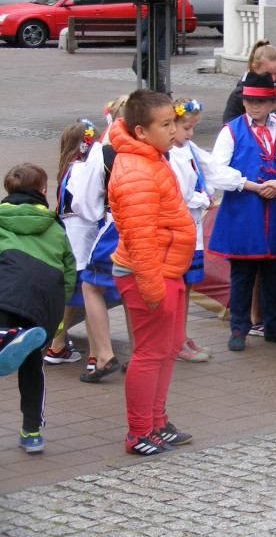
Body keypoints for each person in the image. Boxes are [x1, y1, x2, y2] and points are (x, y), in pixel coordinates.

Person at [107, 90, 196, 455]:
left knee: (167, 348)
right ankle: (139, 432)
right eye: (165, 124)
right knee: (149, 353)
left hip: (165, 270)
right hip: (149, 274)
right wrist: (153, 288)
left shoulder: (151, 157)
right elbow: (140, 239)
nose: (174, 130)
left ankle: (157, 423)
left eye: (174, 122)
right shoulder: (136, 171)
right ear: (141, 131)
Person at [209, 72, 276, 352]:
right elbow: (216, 171)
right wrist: (249, 184)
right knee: (242, 274)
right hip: (243, 213)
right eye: (250, 100)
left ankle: (275, 325)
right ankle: (239, 328)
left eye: (260, 101)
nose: (254, 106)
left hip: (274, 212)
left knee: (274, 270)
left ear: (272, 103)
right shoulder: (231, 131)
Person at [0, 163, 75, 454]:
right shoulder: (55, 225)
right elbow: (69, 271)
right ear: (43, 191)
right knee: (32, 366)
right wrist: (56, 317)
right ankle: (31, 433)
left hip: (6, 294)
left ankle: (6, 334)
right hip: (44, 301)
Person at [168, 98, 246, 360]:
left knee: (187, 284)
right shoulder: (169, 153)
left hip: (192, 226)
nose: (190, 133)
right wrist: (204, 198)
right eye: (186, 128)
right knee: (178, 286)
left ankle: (181, 335)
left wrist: (243, 182)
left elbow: (212, 169)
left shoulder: (188, 148)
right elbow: (180, 191)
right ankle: (174, 340)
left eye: (193, 128)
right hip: (179, 226)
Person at [68, 96, 128, 382]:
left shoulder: (105, 151)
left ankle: (103, 355)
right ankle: (140, 352)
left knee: (91, 286)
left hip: (118, 224)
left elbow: (84, 202)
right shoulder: (156, 149)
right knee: (133, 290)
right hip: (153, 226)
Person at [45, 119, 96, 365]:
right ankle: (94, 353)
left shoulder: (68, 168)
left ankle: (57, 345)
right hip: (83, 240)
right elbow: (86, 206)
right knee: (90, 297)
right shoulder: (82, 169)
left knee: (75, 297)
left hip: (73, 239)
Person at [222, 40, 276, 124]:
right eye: (269, 74)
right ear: (255, 68)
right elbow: (229, 125)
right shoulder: (239, 95)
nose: (274, 79)